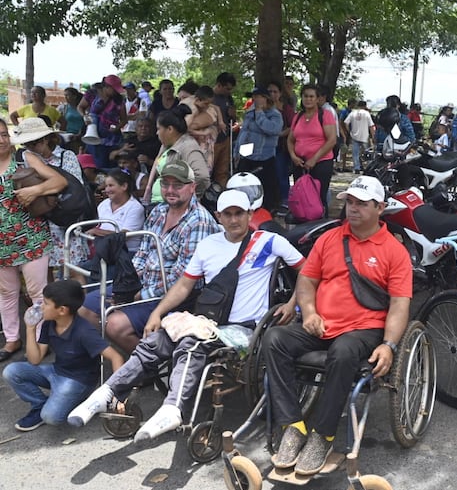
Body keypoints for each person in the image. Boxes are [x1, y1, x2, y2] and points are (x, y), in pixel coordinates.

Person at [68, 190, 305, 442]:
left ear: (250, 214)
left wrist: (292, 304)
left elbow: (308, 271)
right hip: (211, 321)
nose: (234, 220)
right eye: (228, 214)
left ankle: (173, 408)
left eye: (240, 214)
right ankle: (107, 393)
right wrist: (157, 314)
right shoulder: (208, 245)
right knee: (155, 341)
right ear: (219, 217)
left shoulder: (269, 241)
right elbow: (183, 286)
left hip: (247, 327)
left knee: (191, 342)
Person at [264, 176, 412, 476]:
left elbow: (399, 305)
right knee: (274, 339)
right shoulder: (329, 239)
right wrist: (308, 312)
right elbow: (306, 280)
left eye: (361, 203)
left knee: (344, 352)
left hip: (363, 329)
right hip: (321, 326)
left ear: (380, 208)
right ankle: (292, 425)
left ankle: (323, 434)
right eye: (349, 202)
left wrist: (389, 345)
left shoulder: (394, 252)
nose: (352, 208)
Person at [79, 160, 220, 353]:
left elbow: (183, 280)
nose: (170, 190)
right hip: (142, 285)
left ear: (192, 187)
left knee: (115, 324)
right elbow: (142, 254)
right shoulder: (159, 211)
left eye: (178, 185)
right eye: (165, 184)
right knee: (85, 308)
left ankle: (151, 367)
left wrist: (139, 295)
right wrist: (127, 288)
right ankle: (120, 360)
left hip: (175, 296)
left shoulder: (199, 222)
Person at [3, 280, 123, 431]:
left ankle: (75, 400)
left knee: (51, 417)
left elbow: (116, 357)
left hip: (78, 381)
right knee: (12, 371)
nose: (40, 307)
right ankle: (39, 405)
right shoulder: (50, 322)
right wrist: (30, 328)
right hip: (56, 371)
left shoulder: (83, 331)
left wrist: (116, 393)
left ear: (62, 310)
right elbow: (35, 359)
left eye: (45, 304)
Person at [0, 118, 66, 363]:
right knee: (7, 294)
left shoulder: (25, 158)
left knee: (39, 295)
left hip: (31, 239)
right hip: (2, 245)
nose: (2, 140)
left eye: (4, 134)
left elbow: (59, 182)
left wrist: (35, 191)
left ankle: (40, 341)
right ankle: (11, 340)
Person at [12, 117, 90, 279]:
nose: (32, 147)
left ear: (46, 139)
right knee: (44, 272)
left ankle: (80, 304)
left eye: (35, 142)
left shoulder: (66, 156)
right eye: (27, 144)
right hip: (40, 222)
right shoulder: (26, 158)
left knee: (74, 271)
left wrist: (37, 190)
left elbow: (75, 187)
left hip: (65, 221)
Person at [144, 104, 211, 204]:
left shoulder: (188, 147)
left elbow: (202, 177)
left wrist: (182, 197)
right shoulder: (166, 145)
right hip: (158, 204)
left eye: (159, 129)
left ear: (170, 129)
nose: (157, 133)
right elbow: (157, 162)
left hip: (174, 206)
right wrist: (148, 187)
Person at [287, 84, 337, 214]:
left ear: (317, 99)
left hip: (321, 162)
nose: (308, 99)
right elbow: (291, 139)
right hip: (300, 163)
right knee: (302, 196)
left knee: (318, 198)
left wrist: (314, 159)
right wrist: (293, 156)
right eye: (305, 96)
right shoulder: (298, 116)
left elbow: (331, 140)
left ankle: (321, 227)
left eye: (311, 96)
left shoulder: (325, 115)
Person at [235, 86, 284, 211]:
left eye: (257, 97)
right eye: (254, 97)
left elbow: (272, 129)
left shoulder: (275, 115)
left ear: (265, 98)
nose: (254, 99)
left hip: (264, 157)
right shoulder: (250, 112)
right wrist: (236, 151)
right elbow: (244, 132)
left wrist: (260, 112)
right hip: (246, 156)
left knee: (266, 189)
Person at [79, 75, 128, 169]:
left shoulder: (118, 99)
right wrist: (84, 116)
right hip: (93, 136)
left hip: (112, 139)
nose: (116, 92)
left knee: (112, 165)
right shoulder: (92, 94)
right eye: (114, 89)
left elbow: (124, 119)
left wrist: (117, 127)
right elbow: (80, 107)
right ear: (107, 87)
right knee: (96, 165)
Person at [182, 85, 226, 173]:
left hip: (205, 140)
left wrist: (221, 122)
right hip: (193, 140)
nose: (207, 106)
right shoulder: (192, 109)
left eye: (209, 103)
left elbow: (216, 108)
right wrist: (204, 133)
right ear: (198, 100)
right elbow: (185, 128)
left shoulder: (203, 103)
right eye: (206, 104)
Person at [267, 80, 295, 213]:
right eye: (269, 92)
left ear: (280, 93)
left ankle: (284, 202)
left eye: (275, 91)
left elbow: (292, 127)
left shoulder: (286, 109)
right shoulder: (261, 109)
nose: (272, 94)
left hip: (280, 147)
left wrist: (278, 134)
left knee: (281, 175)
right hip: (264, 149)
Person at [211, 72, 237, 187]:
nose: (229, 92)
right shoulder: (209, 97)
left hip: (225, 138)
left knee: (223, 171)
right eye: (227, 89)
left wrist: (233, 114)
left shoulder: (228, 98)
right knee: (208, 169)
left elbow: (233, 117)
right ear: (219, 85)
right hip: (211, 140)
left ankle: (221, 192)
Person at [343, 100, 375, 174]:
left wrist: (349, 131)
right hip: (364, 135)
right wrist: (373, 136)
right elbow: (371, 125)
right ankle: (368, 167)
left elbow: (346, 123)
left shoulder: (352, 113)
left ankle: (356, 168)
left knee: (355, 153)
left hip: (354, 135)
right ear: (365, 106)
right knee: (367, 152)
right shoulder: (367, 113)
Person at [57, 87, 85, 153]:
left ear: (74, 96)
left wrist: (79, 134)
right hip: (67, 135)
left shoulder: (82, 108)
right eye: (65, 95)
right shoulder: (63, 108)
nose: (66, 97)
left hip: (80, 136)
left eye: (68, 95)